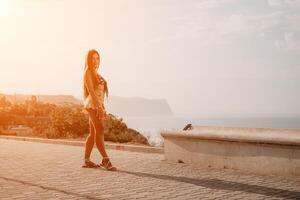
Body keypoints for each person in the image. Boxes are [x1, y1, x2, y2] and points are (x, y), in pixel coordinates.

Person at [81, 49, 117, 171]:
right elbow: (91, 91)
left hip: (97, 104)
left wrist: (102, 106)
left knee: (93, 134)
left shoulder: (96, 72)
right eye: (92, 58)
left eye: (97, 58)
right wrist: (99, 107)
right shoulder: (88, 72)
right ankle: (105, 159)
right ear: (88, 60)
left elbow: (99, 93)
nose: (95, 60)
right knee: (100, 129)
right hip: (92, 105)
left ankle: (87, 160)